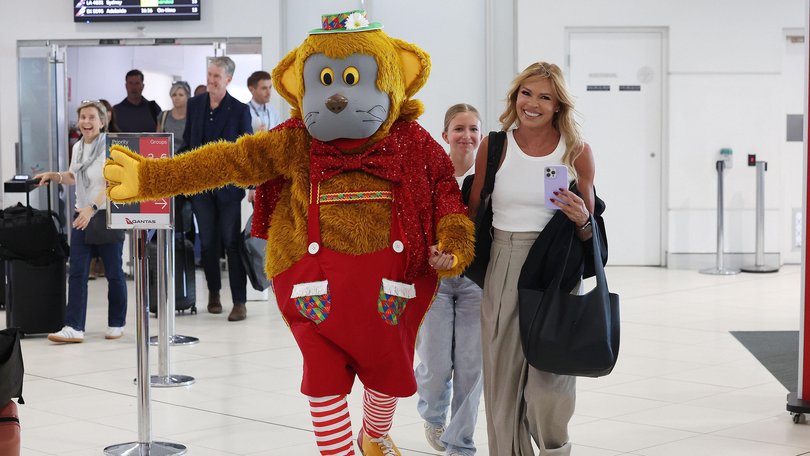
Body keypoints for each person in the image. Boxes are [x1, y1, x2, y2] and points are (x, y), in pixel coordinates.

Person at [466, 62, 595, 456]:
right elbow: (471, 214)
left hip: (555, 271)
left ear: (558, 105)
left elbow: (590, 229)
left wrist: (581, 217)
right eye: (526, 93)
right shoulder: (495, 145)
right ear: (515, 96)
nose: (533, 104)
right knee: (502, 390)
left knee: (548, 387)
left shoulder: (577, 151)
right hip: (503, 263)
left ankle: (555, 448)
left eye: (544, 97)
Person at [415, 104, 484, 456]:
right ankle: (433, 413)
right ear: (445, 135)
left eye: (474, 129)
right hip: (436, 282)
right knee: (436, 364)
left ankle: (461, 444)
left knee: (471, 368)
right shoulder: (430, 175)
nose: (467, 136)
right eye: (459, 129)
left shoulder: (490, 178)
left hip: (476, 283)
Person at [37, 100, 128, 343]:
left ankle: (117, 322)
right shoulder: (78, 147)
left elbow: (113, 184)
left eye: (91, 118)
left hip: (105, 215)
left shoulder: (112, 146)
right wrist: (54, 176)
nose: (86, 122)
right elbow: (72, 175)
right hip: (83, 216)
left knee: (114, 273)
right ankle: (74, 326)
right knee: (77, 273)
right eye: (83, 118)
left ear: (102, 121)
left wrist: (93, 207)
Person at [183, 56, 252, 322]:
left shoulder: (239, 109)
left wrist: (250, 182)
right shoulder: (195, 105)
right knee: (209, 242)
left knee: (231, 242)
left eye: (216, 77)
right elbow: (189, 142)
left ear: (228, 80)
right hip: (201, 187)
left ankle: (239, 301)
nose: (210, 80)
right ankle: (214, 293)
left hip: (227, 189)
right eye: (209, 74)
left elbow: (245, 151)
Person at [156, 80, 190, 154]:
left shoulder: (192, 117)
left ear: (187, 97)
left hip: (185, 159)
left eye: (181, 95)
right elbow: (156, 141)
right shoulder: (164, 116)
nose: (177, 98)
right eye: (174, 95)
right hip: (166, 159)